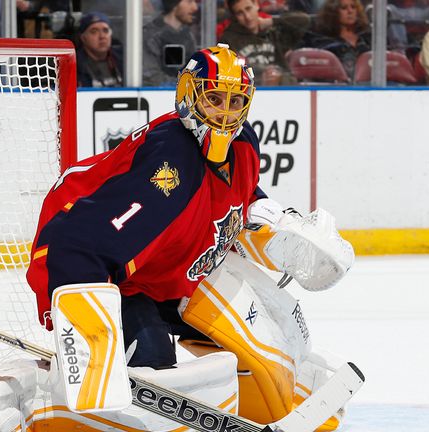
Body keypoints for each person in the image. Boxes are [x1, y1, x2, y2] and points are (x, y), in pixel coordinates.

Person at [27, 44, 265, 369]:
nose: (225, 113)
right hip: (98, 271)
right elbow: (76, 242)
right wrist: (84, 331)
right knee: (151, 361)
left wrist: (264, 207)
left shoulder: (244, 142)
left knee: (253, 337)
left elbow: (231, 191)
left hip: (168, 277)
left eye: (235, 101)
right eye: (214, 99)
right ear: (188, 94)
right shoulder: (169, 165)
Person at [220, 0, 310, 85]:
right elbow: (229, 75)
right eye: (240, 13)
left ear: (256, 5)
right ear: (235, 16)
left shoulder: (274, 32)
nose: (247, 17)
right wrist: (259, 80)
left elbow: (304, 20)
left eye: (248, 9)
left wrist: (271, 21)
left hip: (284, 89)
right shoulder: (228, 39)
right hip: (252, 91)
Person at [306, 0, 371, 79]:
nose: (350, 11)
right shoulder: (322, 40)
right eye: (344, 8)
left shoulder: (367, 37)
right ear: (333, 12)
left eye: (353, 7)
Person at [142, 0, 198, 86]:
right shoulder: (150, 35)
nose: (195, 7)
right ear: (174, 5)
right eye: (189, 1)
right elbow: (150, 77)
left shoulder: (187, 35)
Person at [76, 11, 123, 88]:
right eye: (94, 32)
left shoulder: (123, 58)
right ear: (83, 38)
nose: (102, 36)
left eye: (105, 31)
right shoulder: (73, 65)